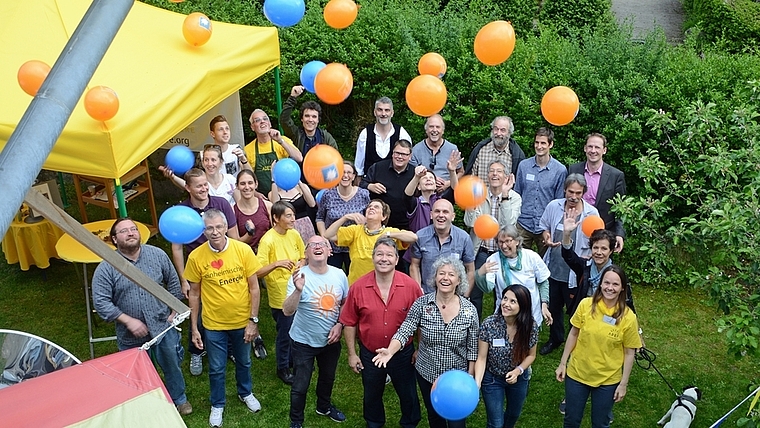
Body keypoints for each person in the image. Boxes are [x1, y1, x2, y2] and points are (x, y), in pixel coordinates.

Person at [92, 218, 192, 416]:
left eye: (133, 229)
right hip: (130, 334)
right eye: (124, 231)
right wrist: (128, 321)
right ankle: (147, 404)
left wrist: (172, 312)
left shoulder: (157, 255)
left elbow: (173, 283)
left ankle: (179, 399)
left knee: (171, 364)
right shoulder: (106, 267)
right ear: (114, 239)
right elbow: (101, 302)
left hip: (163, 325)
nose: (130, 233)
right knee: (139, 372)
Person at [373, 256, 479, 428]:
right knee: (434, 417)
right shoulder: (422, 304)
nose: (445, 278)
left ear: (459, 280)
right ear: (435, 278)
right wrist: (390, 351)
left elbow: (473, 348)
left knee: (457, 422)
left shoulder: (469, 310)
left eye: (451, 274)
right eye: (441, 273)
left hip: (457, 378)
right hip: (427, 374)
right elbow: (405, 329)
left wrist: (470, 376)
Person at [184, 209, 263, 427]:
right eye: (210, 228)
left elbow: (254, 289)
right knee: (217, 367)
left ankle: (245, 392)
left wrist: (252, 321)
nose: (215, 232)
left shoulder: (243, 250)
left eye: (219, 227)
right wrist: (194, 328)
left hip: (241, 322)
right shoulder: (196, 257)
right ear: (204, 230)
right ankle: (217, 404)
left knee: (245, 361)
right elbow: (195, 293)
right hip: (213, 324)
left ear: (226, 225)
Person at [340, 238, 423, 428]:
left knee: (408, 393)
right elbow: (350, 322)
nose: (384, 259)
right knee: (371, 393)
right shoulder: (358, 287)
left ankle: (410, 422)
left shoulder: (411, 287)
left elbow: (420, 322)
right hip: (371, 354)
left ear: (396, 259)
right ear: (373, 258)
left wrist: (419, 348)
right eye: (379, 254)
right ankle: (374, 422)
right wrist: (352, 354)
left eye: (389, 255)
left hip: (403, 354)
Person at [169, 168, 239, 377]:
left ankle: (232, 348)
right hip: (197, 266)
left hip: (224, 264)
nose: (203, 188)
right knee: (196, 311)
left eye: (205, 184)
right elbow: (177, 248)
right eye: (198, 185)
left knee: (227, 305)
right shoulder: (181, 211)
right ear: (187, 188)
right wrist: (184, 280)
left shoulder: (221, 204)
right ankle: (197, 350)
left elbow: (233, 237)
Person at [555, 265, 641, 428]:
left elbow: (629, 352)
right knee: (571, 420)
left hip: (607, 380)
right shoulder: (585, 305)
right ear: (600, 284)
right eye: (606, 283)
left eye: (615, 284)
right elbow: (574, 334)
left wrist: (623, 384)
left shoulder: (629, 318)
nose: (610, 288)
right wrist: (562, 363)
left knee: (600, 423)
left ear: (622, 288)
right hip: (577, 374)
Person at [283, 235, 349, 428]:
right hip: (303, 341)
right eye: (312, 245)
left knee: (327, 377)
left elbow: (345, 302)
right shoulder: (299, 276)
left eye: (322, 244)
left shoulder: (339, 275)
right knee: (300, 386)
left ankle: (324, 407)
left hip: (331, 340)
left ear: (330, 251)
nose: (317, 247)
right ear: (306, 253)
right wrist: (297, 290)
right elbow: (287, 310)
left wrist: (340, 324)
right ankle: (296, 421)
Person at [538, 174, 599, 356]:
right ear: (565, 190)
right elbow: (544, 227)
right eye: (570, 192)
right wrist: (546, 237)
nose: (573, 196)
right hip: (554, 267)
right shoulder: (553, 206)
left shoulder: (591, 214)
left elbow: (597, 239)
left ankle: (577, 343)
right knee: (554, 307)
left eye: (578, 193)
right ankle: (555, 339)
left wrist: (591, 253)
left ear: (584, 193)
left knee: (575, 308)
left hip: (576, 271)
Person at [463, 160, 522, 319]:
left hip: (502, 253)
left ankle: (502, 328)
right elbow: (470, 223)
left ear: (506, 176)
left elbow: (509, 225)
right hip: (481, 251)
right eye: (491, 171)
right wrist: (471, 203)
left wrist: (504, 196)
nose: (495, 174)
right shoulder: (479, 195)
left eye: (499, 171)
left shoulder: (514, 197)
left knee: (504, 294)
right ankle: (473, 328)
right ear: (487, 175)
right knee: (475, 293)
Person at [474, 285, 539, 428]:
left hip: (519, 379)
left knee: (513, 415)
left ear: (523, 305)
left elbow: (531, 355)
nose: (506, 304)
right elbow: (482, 357)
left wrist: (518, 371)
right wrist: (477, 382)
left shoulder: (530, 327)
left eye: (513, 301)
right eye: (505, 299)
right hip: (492, 379)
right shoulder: (489, 324)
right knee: (496, 424)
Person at [257, 200, 306, 385]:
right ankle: (283, 368)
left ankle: (294, 361)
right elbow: (257, 270)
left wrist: (301, 263)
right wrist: (276, 263)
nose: (293, 219)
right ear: (276, 218)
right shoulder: (267, 240)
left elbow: (303, 255)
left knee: (297, 328)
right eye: (288, 215)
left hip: (297, 289)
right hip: (280, 294)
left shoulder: (294, 234)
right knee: (285, 333)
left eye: (293, 214)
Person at [324, 199, 418, 284]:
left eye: (376, 207)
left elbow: (413, 237)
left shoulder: (389, 232)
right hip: (356, 284)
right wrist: (345, 218)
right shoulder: (355, 230)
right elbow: (328, 235)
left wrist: (389, 235)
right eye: (369, 207)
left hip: (380, 285)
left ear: (384, 217)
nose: (371, 208)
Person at [475, 225, 551, 326]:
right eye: (500, 242)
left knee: (528, 341)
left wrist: (544, 305)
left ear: (517, 241)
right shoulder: (494, 259)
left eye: (508, 241)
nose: (504, 246)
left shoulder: (531, 257)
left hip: (530, 314)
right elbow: (488, 288)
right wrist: (480, 274)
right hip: (506, 314)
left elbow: (543, 282)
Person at [568, 133, 626, 252]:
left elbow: (621, 209)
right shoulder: (573, 169)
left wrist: (619, 234)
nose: (593, 151)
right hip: (576, 229)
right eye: (590, 147)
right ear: (585, 148)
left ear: (604, 150)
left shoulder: (616, 176)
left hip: (603, 233)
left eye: (597, 147)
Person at [514, 127, 567, 256]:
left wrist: (552, 227)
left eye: (543, 143)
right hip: (523, 223)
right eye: (537, 142)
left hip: (545, 226)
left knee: (546, 262)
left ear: (551, 144)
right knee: (518, 259)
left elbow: (559, 202)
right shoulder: (524, 166)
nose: (539, 146)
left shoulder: (560, 170)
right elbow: (517, 194)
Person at [410, 199, 475, 294]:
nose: (441, 215)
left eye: (445, 212)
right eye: (437, 211)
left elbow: (470, 270)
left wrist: (464, 297)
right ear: (431, 215)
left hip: (453, 296)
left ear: (452, 217)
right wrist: (419, 292)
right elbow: (414, 266)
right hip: (427, 294)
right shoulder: (420, 236)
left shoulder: (464, 238)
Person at [316, 160, 370, 272]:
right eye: (342, 172)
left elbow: (370, 217)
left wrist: (363, 221)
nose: (345, 175)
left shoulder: (363, 194)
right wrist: (323, 237)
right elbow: (320, 217)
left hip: (355, 245)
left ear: (354, 176)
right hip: (332, 245)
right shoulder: (328, 194)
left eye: (349, 173)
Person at [244, 108, 303, 196]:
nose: (262, 121)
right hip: (262, 198)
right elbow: (246, 179)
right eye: (257, 120)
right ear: (252, 127)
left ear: (270, 123)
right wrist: (256, 194)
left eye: (265, 119)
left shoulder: (282, 140)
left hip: (284, 195)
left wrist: (280, 141)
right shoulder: (247, 149)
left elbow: (299, 158)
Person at [361, 139, 417, 231]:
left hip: (406, 223)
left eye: (403, 154)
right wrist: (370, 186)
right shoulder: (378, 167)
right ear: (392, 153)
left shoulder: (415, 173)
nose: (399, 156)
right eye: (397, 153)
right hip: (379, 223)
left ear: (410, 156)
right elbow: (361, 184)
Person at [404, 150, 462, 234]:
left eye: (431, 178)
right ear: (419, 186)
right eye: (424, 178)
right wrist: (417, 177)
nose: (428, 179)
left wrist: (452, 171)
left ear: (435, 185)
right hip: (419, 244)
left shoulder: (441, 200)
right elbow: (407, 196)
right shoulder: (416, 204)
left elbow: (455, 190)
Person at [162, 144, 239, 207]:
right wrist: (173, 177)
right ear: (202, 162)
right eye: (206, 160)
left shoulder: (230, 179)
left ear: (221, 162)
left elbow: (240, 204)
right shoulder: (200, 181)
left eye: (213, 160)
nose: (209, 164)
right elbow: (186, 185)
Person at [355, 97, 412, 177]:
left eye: (387, 110)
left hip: (395, 181)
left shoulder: (401, 134)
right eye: (380, 110)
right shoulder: (365, 134)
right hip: (370, 183)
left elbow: (407, 161)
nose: (383, 114)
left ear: (392, 113)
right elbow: (359, 163)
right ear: (375, 112)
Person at [410, 114, 463, 195]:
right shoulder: (416, 150)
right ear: (426, 130)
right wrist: (431, 179)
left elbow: (461, 172)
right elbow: (411, 174)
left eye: (438, 127)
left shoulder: (452, 149)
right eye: (431, 127)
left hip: (447, 194)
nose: (434, 130)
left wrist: (448, 183)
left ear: (443, 130)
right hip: (423, 195)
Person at [280, 85, 339, 157]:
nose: (310, 120)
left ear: (318, 120)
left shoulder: (325, 137)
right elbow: (284, 120)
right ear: (302, 118)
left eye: (314, 117)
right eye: (307, 116)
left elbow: (335, 157)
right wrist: (292, 97)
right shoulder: (295, 134)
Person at [465, 116, 526, 180]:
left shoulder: (517, 156)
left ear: (509, 133)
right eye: (496, 129)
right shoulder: (481, 151)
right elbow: (470, 178)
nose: (498, 133)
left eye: (503, 130)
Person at [234, 170, 272, 253]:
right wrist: (250, 233)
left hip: (269, 254)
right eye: (243, 184)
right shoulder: (233, 211)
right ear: (237, 186)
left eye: (250, 183)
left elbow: (276, 233)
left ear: (256, 184)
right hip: (246, 256)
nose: (247, 187)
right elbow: (235, 244)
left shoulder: (267, 206)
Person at [270, 179, 317, 245]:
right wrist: (274, 181)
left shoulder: (301, 188)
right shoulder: (274, 192)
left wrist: (299, 183)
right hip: (287, 225)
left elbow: (312, 204)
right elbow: (275, 205)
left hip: (305, 224)